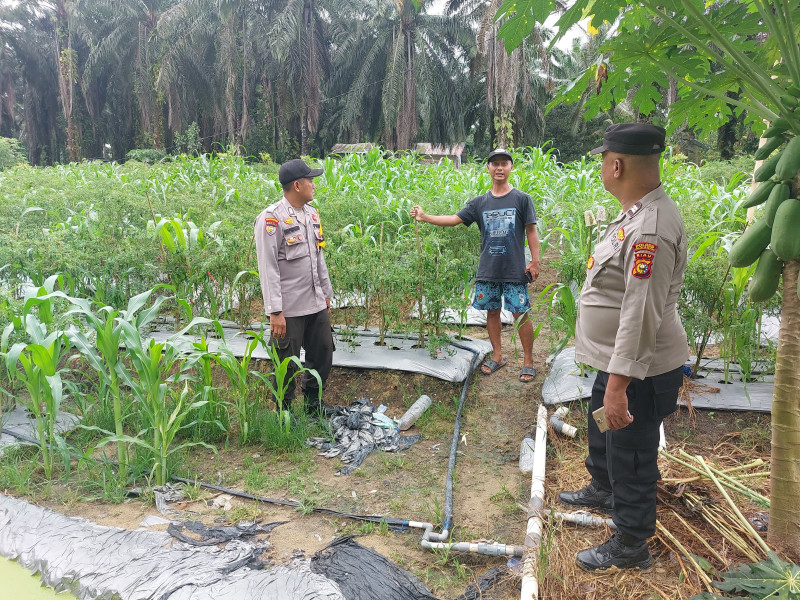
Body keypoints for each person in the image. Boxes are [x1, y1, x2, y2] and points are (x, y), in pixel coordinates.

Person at [558, 123, 688, 571]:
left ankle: (631, 543)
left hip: (639, 369)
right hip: (617, 361)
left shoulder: (650, 226)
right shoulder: (635, 212)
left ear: (616, 165)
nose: (601, 167)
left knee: (631, 450)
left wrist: (620, 385)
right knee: (604, 431)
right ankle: (603, 487)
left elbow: (640, 314)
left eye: (602, 159)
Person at [410, 149, 540, 382]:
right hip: (488, 269)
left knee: (521, 314)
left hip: (514, 270)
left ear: (511, 168)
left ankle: (528, 361)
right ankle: (498, 356)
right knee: (492, 312)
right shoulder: (480, 203)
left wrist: (535, 261)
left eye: (504, 164)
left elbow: (531, 230)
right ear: (488, 169)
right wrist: (425, 217)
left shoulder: (522, 199)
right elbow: (454, 219)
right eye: (494, 164)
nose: (499, 168)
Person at [254, 158, 335, 416]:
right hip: (288, 308)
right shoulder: (271, 219)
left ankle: (313, 404)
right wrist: (274, 311)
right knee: (286, 364)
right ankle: (284, 414)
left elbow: (318, 256)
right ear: (297, 185)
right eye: (310, 180)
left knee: (323, 352)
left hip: (314, 301)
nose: (314, 184)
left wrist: (326, 293)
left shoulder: (312, 213)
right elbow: (268, 267)